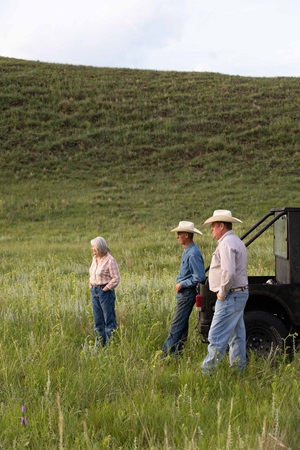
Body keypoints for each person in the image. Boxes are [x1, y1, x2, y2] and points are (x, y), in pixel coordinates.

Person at [201, 210, 248, 373]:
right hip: (237, 294)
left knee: (216, 335)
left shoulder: (227, 243)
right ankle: (238, 370)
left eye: (213, 226)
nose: (211, 230)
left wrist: (222, 292)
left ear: (222, 226)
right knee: (237, 335)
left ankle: (208, 373)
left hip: (230, 295)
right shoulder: (235, 241)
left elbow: (228, 272)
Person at [161, 221, 206, 357]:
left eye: (179, 233)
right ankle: (176, 355)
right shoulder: (189, 251)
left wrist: (182, 284)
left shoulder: (192, 253)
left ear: (186, 235)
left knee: (176, 325)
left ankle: (164, 356)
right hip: (184, 294)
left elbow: (199, 277)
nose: (177, 236)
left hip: (187, 294)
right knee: (182, 325)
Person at [89, 236, 120, 346]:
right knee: (98, 320)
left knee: (109, 320)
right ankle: (100, 344)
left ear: (100, 247)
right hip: (94, 291)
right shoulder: (95, 258)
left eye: (94, 247)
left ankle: (110, 345)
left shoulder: (110, 260)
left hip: (105, 292)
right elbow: (92, 273)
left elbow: (116, 278)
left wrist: (105, 289)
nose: (92, 249)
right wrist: (91, 283)